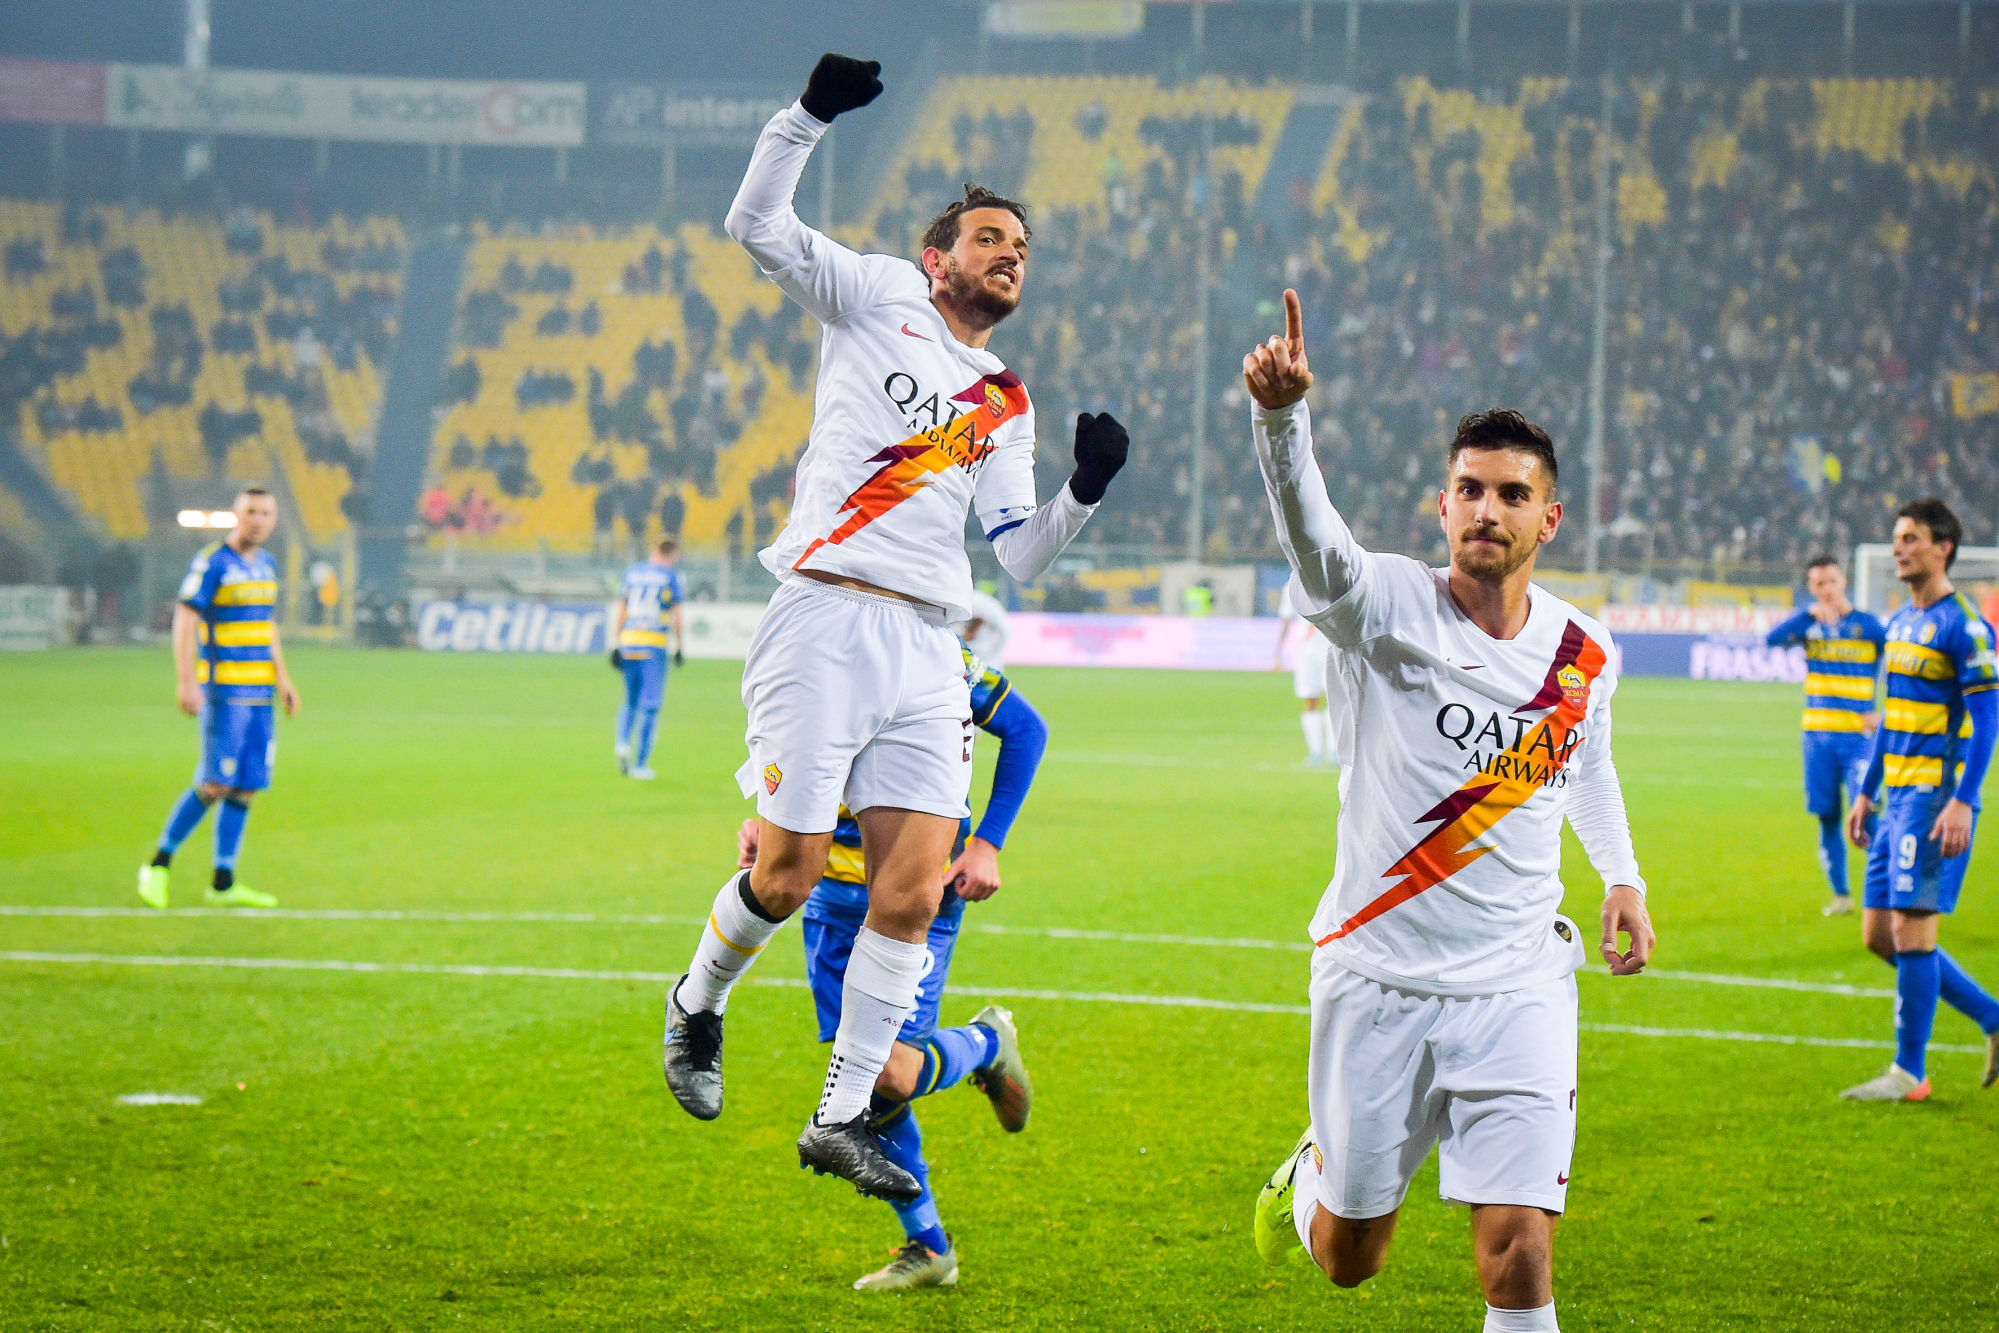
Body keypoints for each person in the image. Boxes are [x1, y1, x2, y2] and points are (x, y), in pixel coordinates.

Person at [659, 53, 1128, 1201]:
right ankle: (695, 1004)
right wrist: (807, 116)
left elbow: (1015, 549)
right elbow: (754, 223)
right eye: (988, 240)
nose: (1009, 255)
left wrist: (1084, 491)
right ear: (937, 258)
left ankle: (837, 1119)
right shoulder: (874, 296)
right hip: (825, 614)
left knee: (908, 891)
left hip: (929, 640)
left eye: (1021, 248)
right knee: (786, 874)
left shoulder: (1006, 399)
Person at [1241, 292, 1654, 1333]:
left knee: (1517, 1255)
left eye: (1510, 494)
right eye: (1468, 489)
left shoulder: (1585, 652)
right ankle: (1314, 1175)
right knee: (1348, 1258)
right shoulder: (1384, 605)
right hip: (1375, 974)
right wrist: (1281, 421)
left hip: (1515, 984)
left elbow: (1583, 767)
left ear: (1546, 518)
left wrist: (1622, 875)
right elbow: (1312, 543)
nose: (1486, 510)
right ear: (1441, 505)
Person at [736, 644, 1045, 1289]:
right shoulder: (813, 641)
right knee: (866, 1078)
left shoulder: (936, 654)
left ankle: (987, 1044)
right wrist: (769, 823)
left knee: (890, 1074)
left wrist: (987, 842)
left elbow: (1025, 728)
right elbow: (790, 745)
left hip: (914, 894)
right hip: (827, 900)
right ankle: (929, 1247)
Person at [1840, 499, 1999, 1100]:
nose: (1899, 548)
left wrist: (1963, 800)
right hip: (1894, 798)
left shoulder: (1964, 625)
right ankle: (1993, 1016)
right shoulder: (1901, 623)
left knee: (1912, 932)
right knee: (1879, 935)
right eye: (1897, 538)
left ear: (1944, 549)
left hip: (1934, 799)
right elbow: (1891, 721)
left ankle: (1910, 1072)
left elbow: (1988, 720)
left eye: (1911, 538)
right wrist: (1865, 792)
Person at [137, 487, 300, 909]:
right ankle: (157, 865)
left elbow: (266, 627)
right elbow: (185, 618)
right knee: (214, 782)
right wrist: (186, 679)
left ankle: (223, 882)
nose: (258, 520)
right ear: (235, 515)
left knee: (246, 787)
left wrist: (283, 679)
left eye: (266, 513)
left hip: (259, 693)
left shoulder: (267, 564)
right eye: (251, 512)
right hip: (224, 691)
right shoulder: (213, 562)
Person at [1764, 556, 1885, 915]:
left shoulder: (1869, 627)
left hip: (1859, 739)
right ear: (1812, 588)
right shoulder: (1808, 626)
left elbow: (1897, 666)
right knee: (1828, 815)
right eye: (1818, 584)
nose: (1826, 589)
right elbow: (1771, 639)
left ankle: (1891, 890)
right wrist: (1807, 616)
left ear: (1843, 580)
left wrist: (1886, 710)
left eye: (1831, 581)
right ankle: (1842, 896)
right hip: (1817, 738)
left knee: (1868, 814)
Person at [609, 537, 686, 780]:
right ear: (672, 554)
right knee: (650, 705)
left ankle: (622, 743)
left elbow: (621, 608)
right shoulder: (670, 577)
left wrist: (614, 642)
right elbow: (677, 615)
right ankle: (641, 764)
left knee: (629, 699)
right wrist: (679, 645)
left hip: (629, 642)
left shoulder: (632, 573)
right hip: (653, 645)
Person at [1277, 600, 1338, 768]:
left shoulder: (1330, 580)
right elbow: (1286, 619)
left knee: (1334, 701)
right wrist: (1278, 652)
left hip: (1331, 649)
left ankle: (1335, 751)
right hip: (1306, 653)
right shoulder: (1290, 587)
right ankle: (1315, 752)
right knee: (1310, 699)